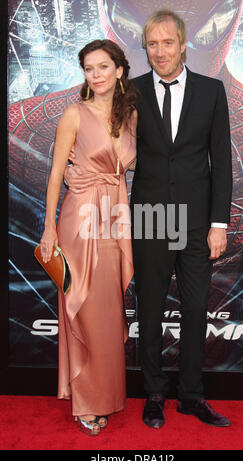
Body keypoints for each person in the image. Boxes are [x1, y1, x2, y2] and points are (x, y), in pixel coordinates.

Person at [130, 9, 232, 428]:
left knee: (194, 310)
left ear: (183, 43)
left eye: (167, 42)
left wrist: (219, 224)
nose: (159, 51)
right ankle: (154, 393)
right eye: (152, 43)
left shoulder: (211, 91)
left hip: (196, 223)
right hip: (151, 216)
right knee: (149, 310)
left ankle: (191, 395)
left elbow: (221, 162)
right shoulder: (131, 91)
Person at [39, 39, 137, 435]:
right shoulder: (73, 115)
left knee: (108, 313)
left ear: (118, 70)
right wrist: (48, 227)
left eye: (102, 67)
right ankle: (87, 400)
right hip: (80, 217)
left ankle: (108, 395)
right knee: (86, 309)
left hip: (114, 216)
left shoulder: (129, 116)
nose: (95, 75)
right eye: (88, 69)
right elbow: (54, 174)